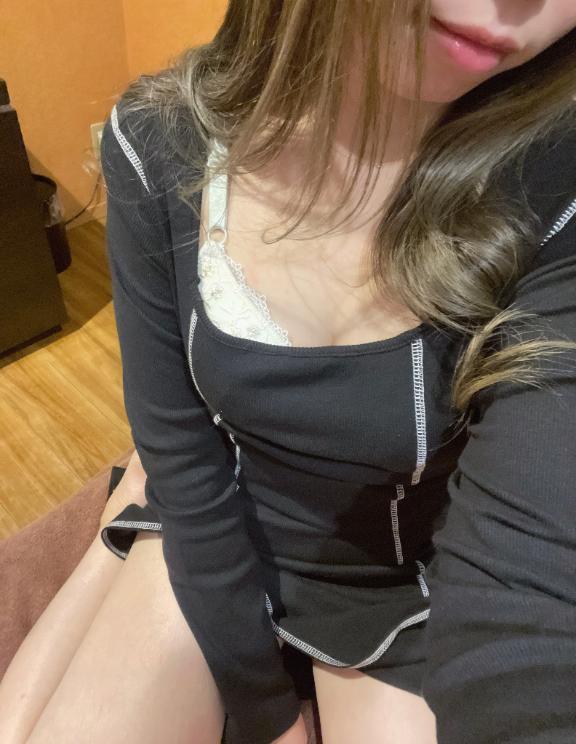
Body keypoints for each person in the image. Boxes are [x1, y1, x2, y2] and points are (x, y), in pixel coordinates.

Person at [1, 1, 575, 742]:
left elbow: (529, 597)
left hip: (400, 585)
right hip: (221, 530)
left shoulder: (554, 194)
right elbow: (183, 455)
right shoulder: (159, 139)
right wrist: (267, 711)